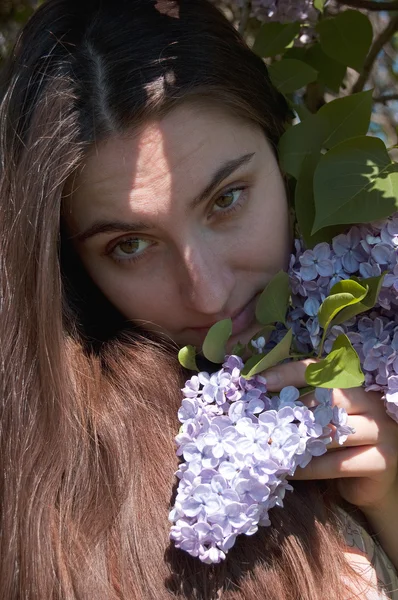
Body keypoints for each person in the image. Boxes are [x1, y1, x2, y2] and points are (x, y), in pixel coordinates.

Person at [0, 0, 397, 598]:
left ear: (282, 147)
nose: (207, 293)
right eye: (130, 244)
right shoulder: (52, 480)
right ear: (70, 264)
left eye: (227, 200)